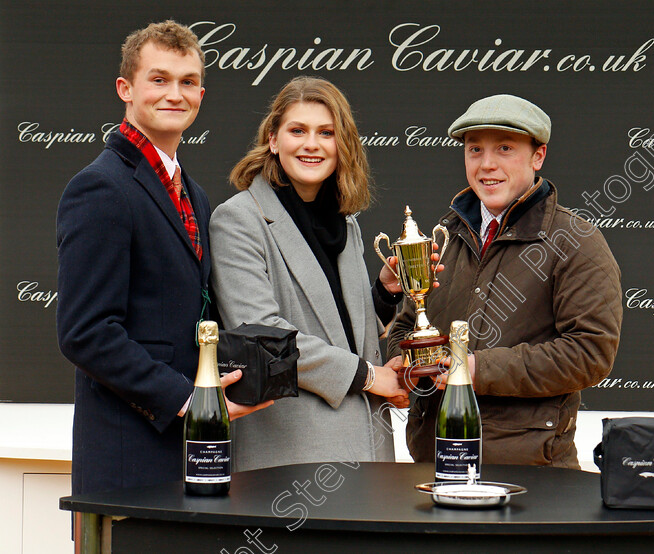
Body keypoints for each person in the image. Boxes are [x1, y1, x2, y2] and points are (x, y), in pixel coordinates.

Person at [56, 21, 268, 496]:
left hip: (194, 451)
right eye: (159, 79)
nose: (176, 94)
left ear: (201, 94)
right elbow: (85, 333)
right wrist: (188, 400)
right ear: (125, 89)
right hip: (128, 459)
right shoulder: (100, 188)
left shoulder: (194, 194)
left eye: (188, 82)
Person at [388, 94, 623, 469]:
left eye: (505, 148)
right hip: (433, 466)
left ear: (538, 156)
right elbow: (407, 324)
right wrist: (405, 364)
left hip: (531, 478)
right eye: (474, 149)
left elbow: (590, 353)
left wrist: (477, 368)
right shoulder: (444, 237)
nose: (487, 164)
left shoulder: (577, 241)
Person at [210, 76, 414, 470]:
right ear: (273, 139)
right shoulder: (237, 220)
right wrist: (369, 377)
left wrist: (387, 292)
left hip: (368, 449)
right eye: (297, 130)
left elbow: (337, 331)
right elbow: (264, 336)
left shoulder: (346, 223)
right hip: (291, 456)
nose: (311, 144)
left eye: (326, 132)